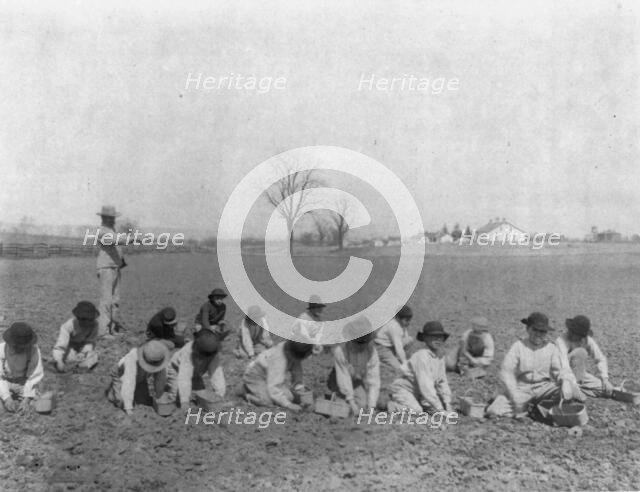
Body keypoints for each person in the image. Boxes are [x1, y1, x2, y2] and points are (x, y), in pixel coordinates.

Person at [486, 312, 578, 418]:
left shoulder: (551, 348)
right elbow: (506, 371)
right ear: (528, 329)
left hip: (543, 388)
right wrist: (514, 394)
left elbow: (560, 370)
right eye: (535, 329)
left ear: (546, 332)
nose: (538, 334)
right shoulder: (518, 346)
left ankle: (535, 408)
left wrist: (565, 381)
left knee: (568, 390)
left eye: (542, 331)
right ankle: (533, 409)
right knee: (493, 410)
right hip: (521, 389)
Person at [387, 321, 454, 416]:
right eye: (434, 336)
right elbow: (425, 385)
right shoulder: (422, 356)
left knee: (436, 405)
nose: (438, 339)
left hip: (419, 391)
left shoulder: (440, 357)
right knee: (417, 411)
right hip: (404, 388)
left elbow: (442, 381)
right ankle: (393, 405)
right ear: (425, 338)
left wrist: (448, 404)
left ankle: (419, 402)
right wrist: (441, 410)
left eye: (440, 337)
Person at [328, 317, 380, 415]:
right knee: (346, 408)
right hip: (338, 379)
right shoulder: (341, 352)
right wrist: (351, 403)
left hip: (356, 380)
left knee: (362, 405)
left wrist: (371, 405)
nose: (362, 346)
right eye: (358, 343)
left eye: (365, 343)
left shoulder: (372, 352)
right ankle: (336, 396)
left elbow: (373, 380)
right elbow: (344, 378)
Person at [242, 339, 314, 411]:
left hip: (269, 376)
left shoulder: (293, 349)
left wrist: (299, 387)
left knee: (289, 397)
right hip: (255, 375)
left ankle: (258, 390)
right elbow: (274, 387)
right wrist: (288, 405)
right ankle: (245, 392)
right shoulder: (279, 360)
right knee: (266, 401)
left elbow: (297, 372)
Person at [555, 315, 614, 398]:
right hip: (562, 376)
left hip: (579, 375)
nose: (571, 333)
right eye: (571, 330)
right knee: (580, 352)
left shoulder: (587, 340)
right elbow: (563, 366)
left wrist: (605, 379)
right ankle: (574, 389)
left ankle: (577, 389)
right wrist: (570, 384)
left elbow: (600, 359)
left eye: (575, 332)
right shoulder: (561, 341)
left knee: (604, 389)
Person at [106, 340, 171, 415]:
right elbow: (129, 381)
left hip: (141, 375)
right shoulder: (131, 358)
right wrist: (128, 408)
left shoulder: (159, 358)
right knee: (121, 401)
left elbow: (160, 379)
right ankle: (112, 391)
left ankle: (139, 386)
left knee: (145, 399)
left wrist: (159, 397)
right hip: (122, 374)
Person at [166, 330, 226, 409]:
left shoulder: (213, 353)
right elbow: (184, 377)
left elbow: (217, 374)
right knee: (176, 400)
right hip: (176, 371)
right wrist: (184, 401)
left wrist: (219, 395)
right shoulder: (187, 353)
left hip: (196, 373)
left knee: (201, 396)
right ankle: (169, 387)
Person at [95, 205, 128, 339]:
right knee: (106, 300)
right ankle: (103, 332)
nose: (113, 220)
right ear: (104, 218)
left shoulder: (112, 230)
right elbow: (116, 240)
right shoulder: (102, 231)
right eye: (110, 218)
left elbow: (118, 247)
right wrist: (133, 238)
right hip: (106, 268)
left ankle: (112, 328)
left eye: (113, 218)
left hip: (115, 267)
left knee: (115, 299)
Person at [0, 323, 44, 413]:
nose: (19, 349)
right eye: (16, 346)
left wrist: (26, 400)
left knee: (39, 404)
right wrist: (7, 398)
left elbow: (34, 377)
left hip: (24, 383)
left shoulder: (33, 351)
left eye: (23, 347)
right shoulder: (1, 350)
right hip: (4, 382)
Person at [52, 301, 100, 372]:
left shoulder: (95, 324)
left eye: (91, 319)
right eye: (84, 319)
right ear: (78, 318)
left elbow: (90, 342)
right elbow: (60, 346)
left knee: (94, 356)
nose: (88, 322)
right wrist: (59, 360)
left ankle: (80, 367)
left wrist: (83, 352)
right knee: (70, 358)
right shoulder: (68, 325)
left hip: (82, 348)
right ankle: (74, 366)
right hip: (69, 347)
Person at [374, 305, 414, 373]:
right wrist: (404, 363)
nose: (409, 322)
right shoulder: (394, 327)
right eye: (407, 320)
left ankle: (399, 358)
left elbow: (405, 338)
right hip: (382, 348)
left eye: (410, 320)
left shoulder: (402, 324)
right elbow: (398, 346)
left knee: (409, 340)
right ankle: (381, 359)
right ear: (398, 318)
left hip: (391, 346)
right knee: (399, 368)